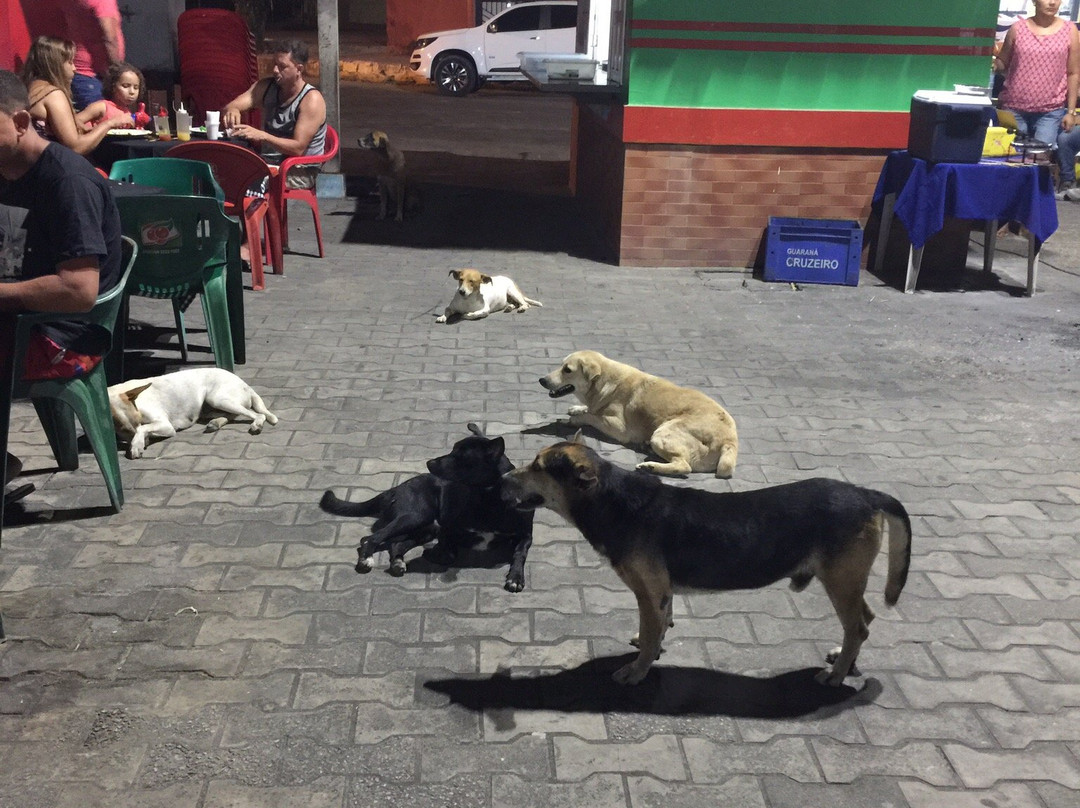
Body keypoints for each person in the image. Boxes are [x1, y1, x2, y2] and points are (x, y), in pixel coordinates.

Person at [0, 69, 123, 508]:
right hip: (21, 318)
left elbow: (79, 291)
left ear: (18, 123)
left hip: (65, 333)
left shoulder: (67, 182)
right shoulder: (8, 170)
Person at [994, 0, 1080, 193]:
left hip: (1050, 111)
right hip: (1013, 108)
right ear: (1034, 1)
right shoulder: (1017, 28)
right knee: (1012, 163)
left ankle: (1034, 214)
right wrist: (991, 62)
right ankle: (1007, 213)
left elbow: (1074, 72)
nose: (1052, 2)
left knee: (1039, 164)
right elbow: (1003, 61)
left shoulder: (1069, 30)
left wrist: (1071, 112)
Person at [222, 40, 328, 190]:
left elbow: (298, 148)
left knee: (250, 182)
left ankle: (263, 212)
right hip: (270, 162)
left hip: (300, 170)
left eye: (282, 66)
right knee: (224, 171)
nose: (275, 70)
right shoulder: (267, 87)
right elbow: (232, 105)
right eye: (275, 64)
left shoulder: (311, 100)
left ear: (299, 69)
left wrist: (263, 136)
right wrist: (233, 109)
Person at [22, 36, 131, 156]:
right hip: (47, 167)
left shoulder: (29, 87)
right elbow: (76, 147)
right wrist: (110, 123)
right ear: (55, 64)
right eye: (70, 62)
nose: (74, 69)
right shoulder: (52, 94)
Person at [24, 0, 125, 111]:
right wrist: (118, 72)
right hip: (95, 74)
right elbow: (109, 38)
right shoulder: (102, 1)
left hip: (77, 70)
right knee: (101, 119)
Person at [90, 61, 151, 129]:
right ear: (113, 87)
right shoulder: (102, 106)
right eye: (125, 86)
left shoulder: (128, 113)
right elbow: (78, 121)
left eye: (136, 88)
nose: (132, 92)